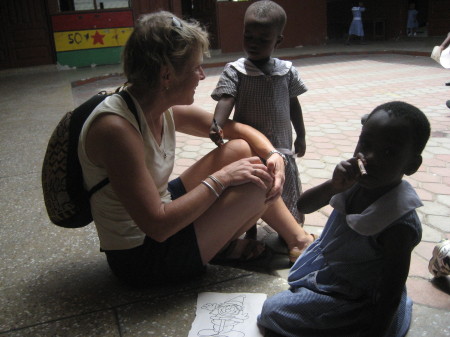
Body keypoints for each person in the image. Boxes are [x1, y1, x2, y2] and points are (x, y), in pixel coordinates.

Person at [78, 11, 314, 288]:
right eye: (195, 68)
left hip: (160, 211)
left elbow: (235, 130)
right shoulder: (116, 129)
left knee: (239, 150)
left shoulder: (152, 104)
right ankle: (239, 244)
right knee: (255, 184)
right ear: (166, 75)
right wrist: (223, 178)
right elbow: (157, 225)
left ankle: (296, 239)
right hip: (143, 254)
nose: (202, 76)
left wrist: (274, 155)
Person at [258, 101, 431, 337]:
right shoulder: (352, 182)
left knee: (272, 311)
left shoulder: (398, 223)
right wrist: (332, 186)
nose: (369, 157)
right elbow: (303, 206)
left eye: (389, 152)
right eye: (365, 144)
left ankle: (358, 321)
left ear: (412, 165)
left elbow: (391, 288)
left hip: (356, 295)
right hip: (332, 272)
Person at [209, 0, 308, 230]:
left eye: (263, 39)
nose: (253, 44)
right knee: (248, 189)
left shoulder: (287, 71)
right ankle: (248, 229)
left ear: (278, 40)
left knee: (286, 189)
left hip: (281, 147)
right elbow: (226, 98)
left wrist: (301, 135)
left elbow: (294, 104)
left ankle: (290, 231)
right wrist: (217, 123)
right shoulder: (236, 71)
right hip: (249, 148)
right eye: (248, 36)